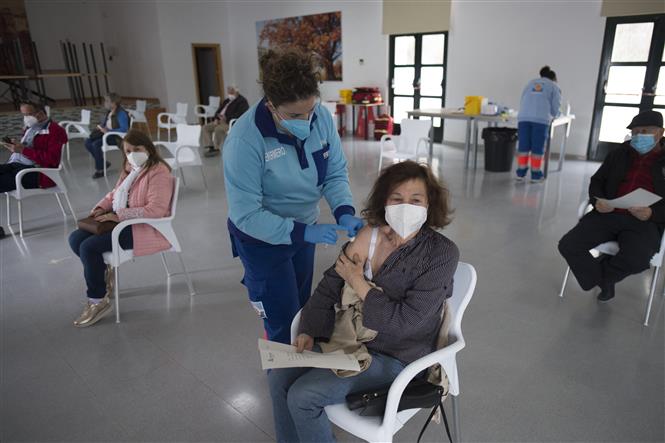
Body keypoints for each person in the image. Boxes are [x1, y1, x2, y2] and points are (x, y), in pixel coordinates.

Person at [268, 161, 459, 443]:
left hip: (396, 356)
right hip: (349, 340)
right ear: (385, 202)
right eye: (397, 198)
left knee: (303, 395)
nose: (406, 206)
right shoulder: (370, 236)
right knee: (278, 375)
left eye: (415, 200)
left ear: (429, 204)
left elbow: (405, 323)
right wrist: (309, 329)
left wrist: (358, 282)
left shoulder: (441, 254)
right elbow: (330, 286)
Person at [223, 49, 364, 345]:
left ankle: (298, 363)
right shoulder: (244, 141)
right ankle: (282, 379)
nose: (307, 120)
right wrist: (304, 231)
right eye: (295, 115)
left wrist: (344, 210)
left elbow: (334, 172)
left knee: (301, 308)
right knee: (280, 317)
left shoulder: (321, 119)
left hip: (302, 230)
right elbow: (247, 214)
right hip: (261, 239)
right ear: (271, 105)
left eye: (310, 109)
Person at [68, 129, 174, 327]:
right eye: (127, 150)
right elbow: (114, 194)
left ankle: (97, 300)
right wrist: (100, 209)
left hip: (142, 228)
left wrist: (118, 216)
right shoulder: (130, 167)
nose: (132, 153)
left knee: (88, 247)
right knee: (75, 239)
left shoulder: (159, 171)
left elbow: (156, 209)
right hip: (121, 222)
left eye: (137, 149)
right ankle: (102, 274)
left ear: (148, 149)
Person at [558, 110, 665, 303]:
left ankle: (603, 278)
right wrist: (598, 200)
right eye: (635, 132)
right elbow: (597, 181)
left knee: (637, 259)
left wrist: (652, 213)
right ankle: (606, 279)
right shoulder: (619, 154)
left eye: (645, 131)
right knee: (568, 244)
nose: (639, 136)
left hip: (644, 221)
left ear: (660, 133)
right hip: (609, 213)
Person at [0, 101, 67, 239]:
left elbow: (52, 160)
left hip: (37, 172)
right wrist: (17, 147)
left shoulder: (55, 130)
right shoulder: (31, 127)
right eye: (23, 114)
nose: (25, 118)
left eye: (28, 114)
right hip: (18, 165)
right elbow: (31, 149)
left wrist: (23, 150)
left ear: (40, 113)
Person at [516, 65, 562, 183]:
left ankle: (520, 173)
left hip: (523, 118)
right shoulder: (554, 86)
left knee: (523, 146)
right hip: (540, 120)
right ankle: (535, 175)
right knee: (537, 147)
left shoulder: (530, 83)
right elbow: (555, 107)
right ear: (553, 78)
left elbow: (523, 99)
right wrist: (556, 115)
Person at [85, 93, 130, 179]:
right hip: (107, 135)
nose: (105, 103)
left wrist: (109, 131)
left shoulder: (121, 113)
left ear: (113, 103)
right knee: (88, 142)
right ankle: (103, 163)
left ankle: (100, 169)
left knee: (96, 144)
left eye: (107, 101)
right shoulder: (109, 112)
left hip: (116, 137)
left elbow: (124, 129)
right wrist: (101, 127)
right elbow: (107, 124)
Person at [200, 85, 249, 157]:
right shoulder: (226, 101)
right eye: (229, 92)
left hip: (229, 122)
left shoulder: (242, 101)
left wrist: (226, 118)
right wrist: (216, 118)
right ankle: (210, 146)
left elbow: (240, 115)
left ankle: (216, 148)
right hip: (219, 121)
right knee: (205, 128)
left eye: (231, 92)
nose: (230, 94)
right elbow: (218, 111)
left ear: (236, 92)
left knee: (218, 129)